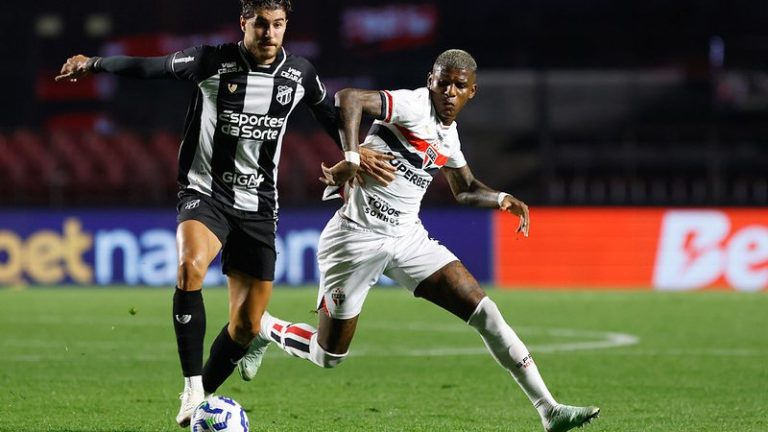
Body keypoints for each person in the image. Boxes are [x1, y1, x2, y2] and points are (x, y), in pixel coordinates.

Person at [55, 0, 395, 427]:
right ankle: (193, 386)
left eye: (277, 25)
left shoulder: (300, 74)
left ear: (286, 26)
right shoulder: (210, 61)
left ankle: (229, 371)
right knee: (189, 269)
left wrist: (354, 148)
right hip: (206, 193)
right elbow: (152, 67)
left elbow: (327, 112)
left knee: (245, 324)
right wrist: (94, 63)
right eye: (260, 24)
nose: (269, 33)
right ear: (244, 24)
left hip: (259, 207)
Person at [236, 49, 600, 432]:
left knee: (487, 314)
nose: (449, 92)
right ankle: (264, 327)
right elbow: (348, 98)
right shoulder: (411, 106)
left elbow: (464, 188)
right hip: (355, 240)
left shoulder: (449, 136)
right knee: (328, 355)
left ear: (471, 92)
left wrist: (501, 198)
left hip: (409, 240)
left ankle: (549, 409)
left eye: (459, 86)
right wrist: (354, 157)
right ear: (431, 80)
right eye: (443, 83)